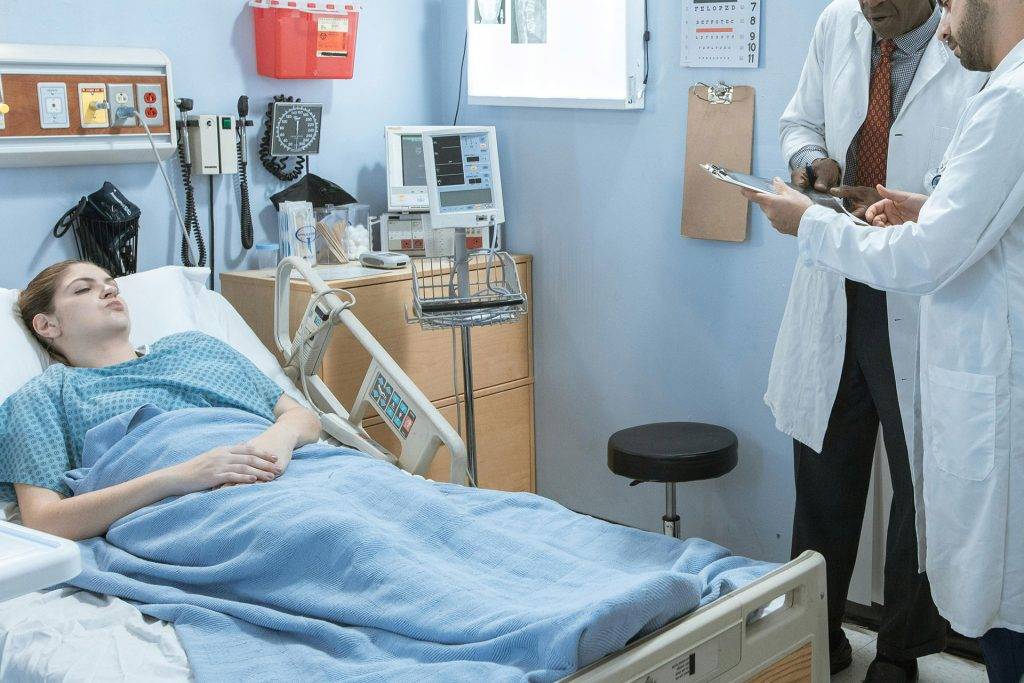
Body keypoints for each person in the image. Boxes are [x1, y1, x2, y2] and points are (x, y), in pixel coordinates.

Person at [745, 0, 1024, 679]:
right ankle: (816, 632)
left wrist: (808, 225)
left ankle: (899, 649)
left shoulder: (980, 62)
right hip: (845, 284)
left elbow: (949, 232)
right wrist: (811, 162)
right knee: (823, 474)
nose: (872, 8)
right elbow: (799, 116)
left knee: (918, 486)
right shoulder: (839, 23)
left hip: (920, 293)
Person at [2, 259, 322, 540]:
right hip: (208, 510)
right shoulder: (45, 395)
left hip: (296, 474)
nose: (110, 292)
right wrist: (183, 476)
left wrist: (278, 439)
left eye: (111, 286)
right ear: (47, 325)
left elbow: (302, 417)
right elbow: (43, 522)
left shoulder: (195, 347)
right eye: (83, 289)